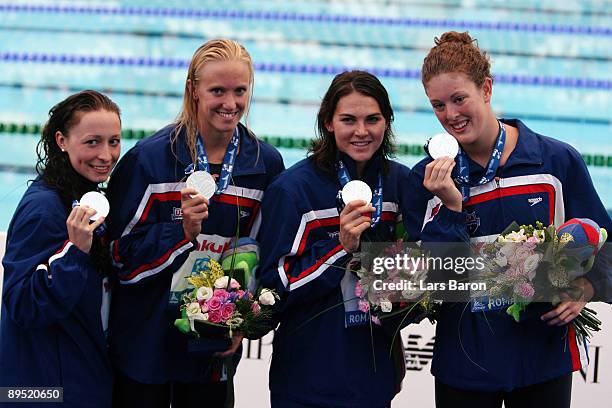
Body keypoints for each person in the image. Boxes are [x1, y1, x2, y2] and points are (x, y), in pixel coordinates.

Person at [403, 31, 612, 408]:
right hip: (463, 365)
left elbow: (604, 239)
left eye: (458, 98)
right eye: (437, 105)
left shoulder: (554, 163)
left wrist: (588, 288)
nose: (450, 115)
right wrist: (451, 205)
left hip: (542, 359)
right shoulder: (428, 180)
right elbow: (433, 280)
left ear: (486, 88)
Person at [106, 39, 284, 407]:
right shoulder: (150, 160)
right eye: (217, 90)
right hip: (147, 343)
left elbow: (271, 258)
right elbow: (117, 256)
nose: (230, 104)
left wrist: (247, 323)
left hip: (212, 344)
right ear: (194, 90)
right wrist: (180, 234)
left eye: (240, 91)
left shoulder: (263, 164)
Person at [259, 71, 410, 408]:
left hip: (373, 376)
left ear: (387, 122)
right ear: (328, 122)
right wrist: (339, 246)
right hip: (306, 379)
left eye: (373, 119)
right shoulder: (293, 190)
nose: (361, 131)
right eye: (348, 120)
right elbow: (273, 290)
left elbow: (421, 278)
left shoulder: (400, 184)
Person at [0, 90, 121, 407]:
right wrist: (74, 253)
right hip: (47, 392)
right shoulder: (44, 210)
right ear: (61, 140)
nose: (106, 155)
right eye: (92, 142)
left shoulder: (82, 195)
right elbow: (21, 305)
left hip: (77, 378)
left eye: (114, 141)